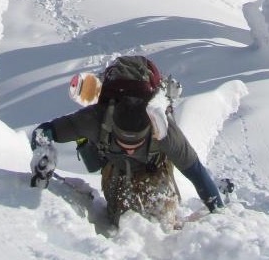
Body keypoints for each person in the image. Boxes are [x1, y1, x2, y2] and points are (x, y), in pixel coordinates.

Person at [30, 94, 225, 228]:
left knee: (164, 220)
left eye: (135, 143)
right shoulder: (95, 119)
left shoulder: (164, 131)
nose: (130, 149)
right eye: (123, 142)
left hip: (156, 168)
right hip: (116, 169)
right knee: (122, 220)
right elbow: (43, 131)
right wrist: (43, 154)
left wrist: (219, 212)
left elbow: (195, 171)